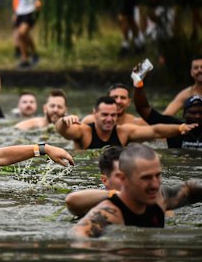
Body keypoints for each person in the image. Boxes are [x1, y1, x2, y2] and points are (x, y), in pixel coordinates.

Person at [71, 143, 202, 238]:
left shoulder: (161, 198)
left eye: (157, 175)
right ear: (124, 179)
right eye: (146, 178)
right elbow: (78, 236)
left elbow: (190, 188)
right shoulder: (110, 214)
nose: (155, 185)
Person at [55, 96, 197, 150]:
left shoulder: (124, 132)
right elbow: (63, 132)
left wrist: (180, 127)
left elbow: (155, 131)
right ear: (94, 114)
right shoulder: (84, 131)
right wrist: (63, 121)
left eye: (113, 115)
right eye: (104, 115)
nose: (109, 119)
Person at [133, 79, 202, 150]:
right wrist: (138, 83)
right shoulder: (173, 127)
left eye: (201, 113)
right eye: (193, 113)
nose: (197, 116)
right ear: (184, 114)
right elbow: (143, 109)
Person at [9, 0, 41, 69]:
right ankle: (25, 59)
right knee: (20, 35)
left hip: (31, 8)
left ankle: (33, 53)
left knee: (22, 32)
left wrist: (39, 2)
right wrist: (15, 11)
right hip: (21, 9)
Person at [82, 83, 147, 126]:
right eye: (115, 97)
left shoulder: (137, 124)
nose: (118, 101)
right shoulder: (90, 121)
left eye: (123, 98)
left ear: (129, 102)